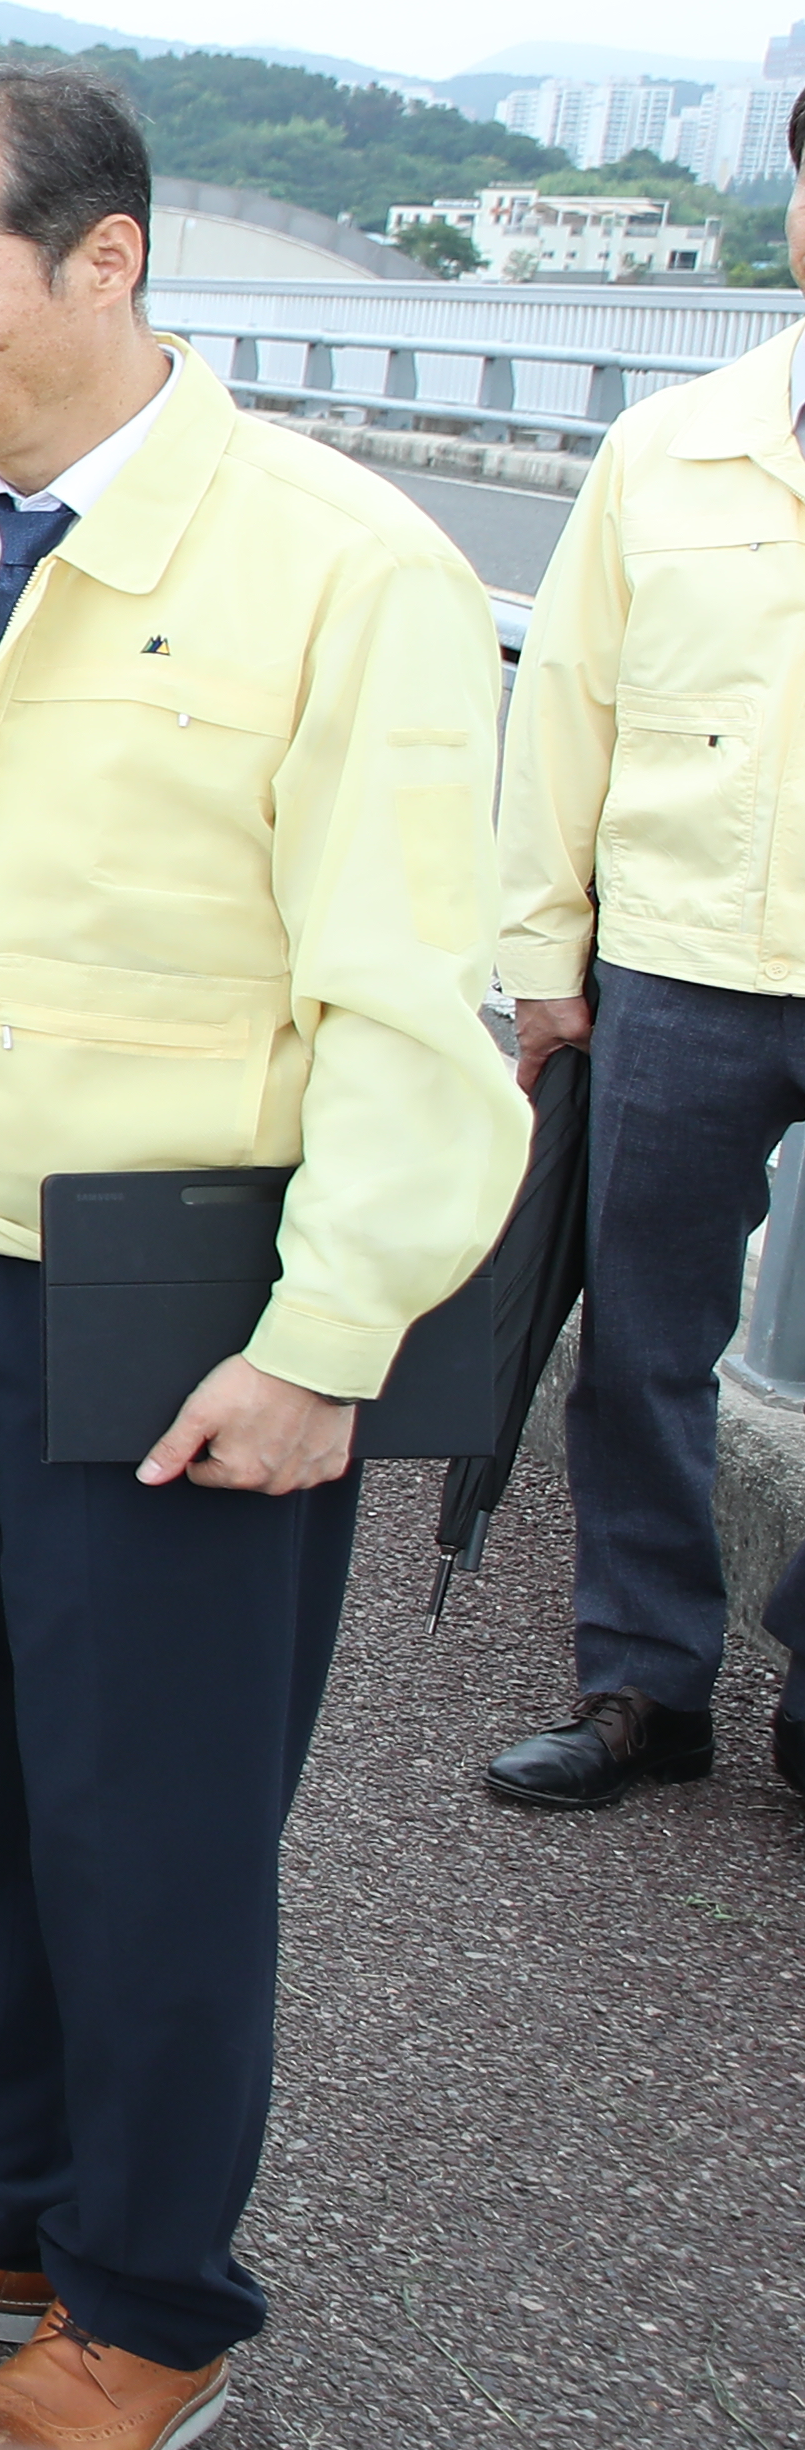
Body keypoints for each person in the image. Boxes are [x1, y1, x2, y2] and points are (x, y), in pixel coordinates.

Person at [0, 59, 522, 2450]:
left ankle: (144, 2294)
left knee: (143, 1817)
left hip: (183, 1297)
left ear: (104, 260)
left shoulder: (327, 565)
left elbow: (401, 1006)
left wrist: (321, 1341)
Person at [477, 104, 805, 1813]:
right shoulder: (673, 448)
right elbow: (566, 709)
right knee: (644, 1337)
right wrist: (542, 952)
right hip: (675, 955)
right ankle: (640, 1681)